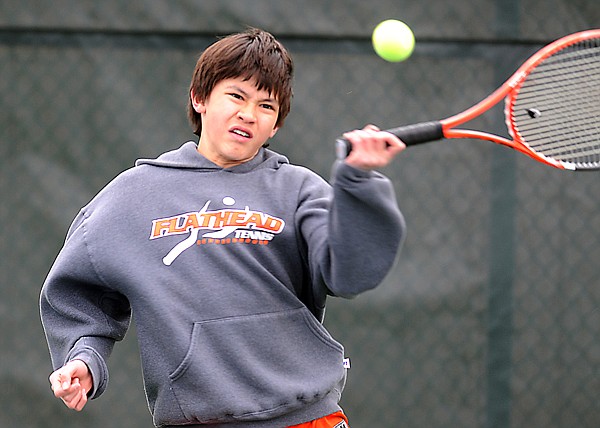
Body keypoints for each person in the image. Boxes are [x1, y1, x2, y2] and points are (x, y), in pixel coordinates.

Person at [40, 27, 406, 428]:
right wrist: (84, 358)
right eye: (236, 96)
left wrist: (358, 182)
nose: (249, 114)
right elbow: (77, 292)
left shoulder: (300, 190)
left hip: (307, 418)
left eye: (266, 106)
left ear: (276, 126)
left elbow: (351, 274)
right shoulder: (132, 196)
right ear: (200, 99)